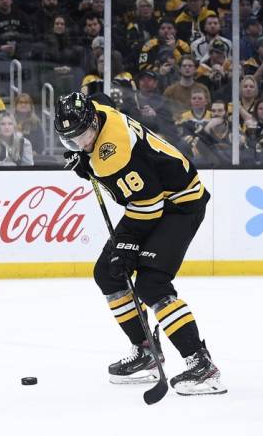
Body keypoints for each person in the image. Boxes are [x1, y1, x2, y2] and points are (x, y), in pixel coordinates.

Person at [56, 91, 226, 396]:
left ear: (93, 123)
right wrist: (85, 157)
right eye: (70, 140)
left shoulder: (113, 155)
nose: (78, 144)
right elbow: (100, 95)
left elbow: (148, 208)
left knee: (151, 285)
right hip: (153, 199)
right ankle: (146, 350)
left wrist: (126, 246)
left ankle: (202, 365)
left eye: (81, 137)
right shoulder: (97, 110)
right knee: (107, 274)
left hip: (180, 203)